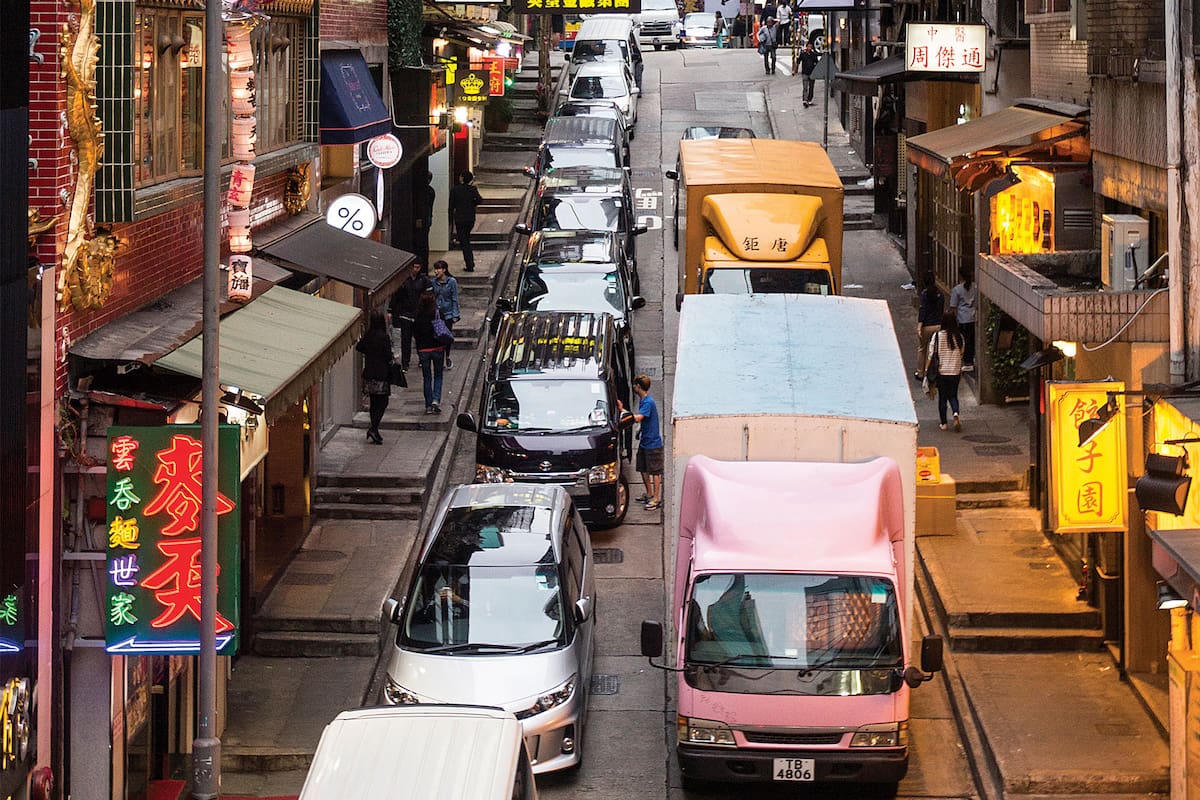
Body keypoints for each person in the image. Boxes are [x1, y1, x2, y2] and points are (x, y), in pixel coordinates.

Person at [355, 310, 393, 445]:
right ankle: (374, 428)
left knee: (374, 402)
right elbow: (389, 355)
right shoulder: (383, 337)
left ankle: (374, 429)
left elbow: (359, 347)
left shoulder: (369, 336)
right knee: (383, 402)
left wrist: (370, 352)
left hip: (369, 373)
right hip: (381, 374)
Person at [629, 374, 664, 510]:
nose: (633, 387)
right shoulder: (644, 401)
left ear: (638, 386)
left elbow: (639, 418)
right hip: (645, 442)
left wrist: (626, 417)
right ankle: (649, 494)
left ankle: (656, 498)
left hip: (653, 444)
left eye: (634, 385)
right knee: (643, 469)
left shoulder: (648, 402)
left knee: (655, 472)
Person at [390, 260, 432, 371]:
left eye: (417, 267)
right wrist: (392, 310)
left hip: (419, 314)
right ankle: (405, 363)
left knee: (420, 338)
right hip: (405, 314)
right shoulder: (403, 281)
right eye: (414, 267)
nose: (415, 270)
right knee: (405, 339)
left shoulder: (424, 280)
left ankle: (421, 359)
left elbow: (429, 296)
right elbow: (396, 297)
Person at [927, 312, 965, 432]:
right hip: (955, 371)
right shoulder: (959, 337)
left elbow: (931, 354)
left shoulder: (937, 336)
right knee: (953, 395)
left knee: (942, 397)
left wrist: (927, 369)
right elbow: (961, 353)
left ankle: (943, 423)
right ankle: (955, 412)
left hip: (942, 372)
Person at [413, 291, 445, 415]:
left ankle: (428, 404)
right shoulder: (437, 314)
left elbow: (415, 333)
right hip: (437, 348)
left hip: (423, 350)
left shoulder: (418, 316)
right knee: (438, 375)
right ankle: (436, 399)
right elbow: (444, 329)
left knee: (427, 377)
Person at [448, 170, 483, 273]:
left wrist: (450, 219)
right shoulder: (472, 189)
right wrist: (472, 204)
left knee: (464, 242)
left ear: (462, 178)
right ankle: (469, 263)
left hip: (460, 218)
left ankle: (470, 263)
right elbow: (480, 200)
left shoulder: (455, 190)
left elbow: (451, 206)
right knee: (466, 239)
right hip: (470, 218)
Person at [431, 260, 460, 370]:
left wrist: (455, 315)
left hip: (448, 314)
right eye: (435, 269)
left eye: (438, 268)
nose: (436, 271)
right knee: (438, 336)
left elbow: (454, 298)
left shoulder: (451, 282)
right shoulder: (433, 282)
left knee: (446, 336)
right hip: (438, 314)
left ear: (444, 270)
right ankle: (440, 358)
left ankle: (447, 356)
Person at [914, 271, 943, 381]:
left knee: (922, 349)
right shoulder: (940, 295)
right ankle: (936, 372)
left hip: (927, 326)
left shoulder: (924, 294)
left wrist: (919, 326)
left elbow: (923, 310)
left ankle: (920, 373)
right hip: (938, 325)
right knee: (936, 349)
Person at [949, 266, 978, 371]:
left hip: (962, 318)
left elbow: (953, 306)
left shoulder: (957, 289)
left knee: (964, 340)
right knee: (972, 339)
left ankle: (967, 361)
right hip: (973, 317)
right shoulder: (975, 287)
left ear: (960, 276)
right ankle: (972, 358)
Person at [414, 170, 435, 265]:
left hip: (423, 218)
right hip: (428, 217)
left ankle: (422, 260)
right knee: (425, 239)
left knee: (421, 240)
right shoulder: (431, 190)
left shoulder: (423, 191)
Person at [799, 42, 820, 106]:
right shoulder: (803, 54)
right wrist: (794, 70)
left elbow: (817, 63)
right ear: (806, 47)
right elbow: (798, 61)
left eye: (810, 47)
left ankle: (809, 99)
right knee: (805, 87)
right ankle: (805, 100)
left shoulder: (814, 55)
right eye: (808, 47)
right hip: (805, 73)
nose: (809, 48)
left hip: (812, 73)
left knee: (811, 87)